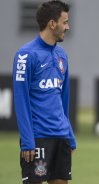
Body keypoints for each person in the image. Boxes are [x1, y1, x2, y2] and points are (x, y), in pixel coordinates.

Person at [13, 1, 76, 183]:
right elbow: (21, 99)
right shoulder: (26, 55)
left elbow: (63, 99)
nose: (68, 27)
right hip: (38, 137)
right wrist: (27, 140)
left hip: (61, 136)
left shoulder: (62, 55)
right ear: (52, 23)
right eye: (64, 22)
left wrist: (69, 134)